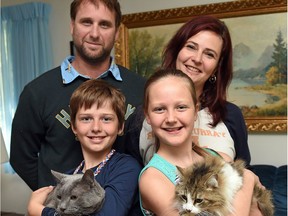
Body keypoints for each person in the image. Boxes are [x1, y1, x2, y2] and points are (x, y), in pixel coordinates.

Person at [10, 0, 146, 191]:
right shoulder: (37, 92)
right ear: (72, 26)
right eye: (86, 22)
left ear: (116, 32)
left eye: (104, 24)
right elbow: (21, 158)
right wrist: (56, 196)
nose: (95, 33)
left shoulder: (141, 89)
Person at [138, 68, 263, 216]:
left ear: (195, 111)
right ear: (148, 115)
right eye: (159, 109)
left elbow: (258, 208)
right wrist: (247, 179)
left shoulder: (215, 157)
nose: (171, 118)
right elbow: (247, 189)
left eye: (181, 107)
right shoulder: (152, 179)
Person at [139, 15, 250, 165]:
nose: (197, 59)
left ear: (217, 67)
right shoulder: (140, 118)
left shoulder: (231, 116)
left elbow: (244, 173)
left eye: (209, 54)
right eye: (191, 47)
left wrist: (250, 178)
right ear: (177, 50)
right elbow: (127, 177)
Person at [27, 79, 142, 216]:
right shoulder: (68, 178)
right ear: (74, 127)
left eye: (106, 119)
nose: (96, 128)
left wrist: (38, 210)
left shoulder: (126, 168)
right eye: (86, 119)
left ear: (120, 126)